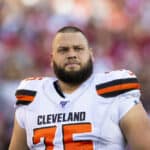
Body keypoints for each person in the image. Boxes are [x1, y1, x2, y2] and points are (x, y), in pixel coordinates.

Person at [9, 26, 150, 150]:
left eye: (78, 49)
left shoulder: (115, 90)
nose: (71, 54)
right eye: (63, 50)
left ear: (91, 55)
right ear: (52, 59)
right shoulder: (32, 95)